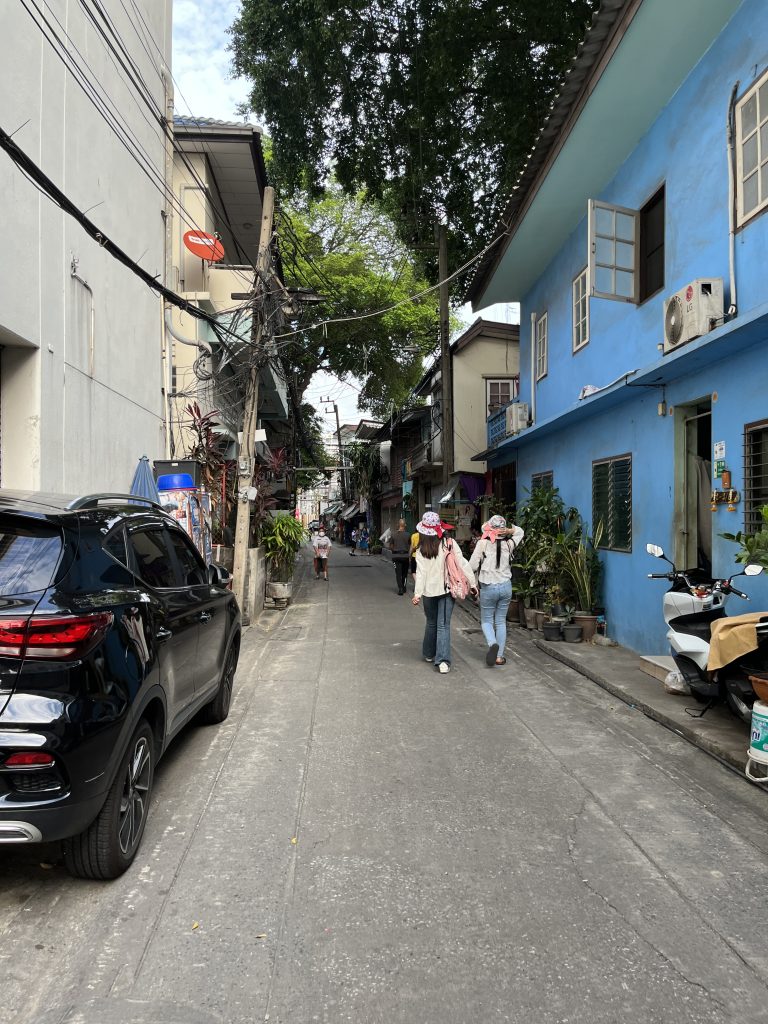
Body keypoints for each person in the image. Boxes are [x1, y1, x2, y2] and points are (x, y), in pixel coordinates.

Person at [412, 511, 477, 674]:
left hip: (428, 592)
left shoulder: (420, 549)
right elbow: (462, 563)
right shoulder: (449, 543)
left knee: (431, 622)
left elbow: (421, 574)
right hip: (447, 590)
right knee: (443, 625)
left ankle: (428, 654)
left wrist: (417, 593)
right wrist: (473, 583)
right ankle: (442, 661)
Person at [469, 514, 524, 667]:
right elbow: (520, 532)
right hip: (506, 586)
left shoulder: (482, 544)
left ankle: (493, 643)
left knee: (486, 621)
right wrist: (508, 531)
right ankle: (499, 657)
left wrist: (471, 582)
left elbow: (472, 566)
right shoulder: (510, 543)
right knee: (500, 622)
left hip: (488, 587)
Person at [388, 519, 411, 595]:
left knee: (398, 573)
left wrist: (394, 549)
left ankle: (400, 588)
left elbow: (390, 546)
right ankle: (404, 587)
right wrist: (409, 555)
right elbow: (410, 546)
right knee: (404, 573)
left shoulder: (393, 534)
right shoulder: (408, 535)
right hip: (405, 556)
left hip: (396, 556)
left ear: (398, 525)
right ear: (405, 525)